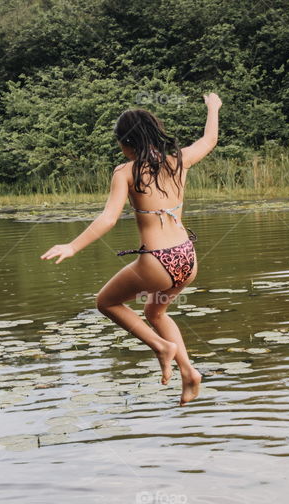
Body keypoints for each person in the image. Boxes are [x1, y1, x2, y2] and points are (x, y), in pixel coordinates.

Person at [41, 92, 222, 406]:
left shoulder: (125, 172)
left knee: (106, 302)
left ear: (126, 143)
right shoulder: (178, 161)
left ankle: (162, 347)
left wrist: (72, 245)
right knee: (155, 310)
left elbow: (108, 219)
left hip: (157, 262)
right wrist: (213, 108)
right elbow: (209, 140)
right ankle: (189, 372)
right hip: (187, 259)